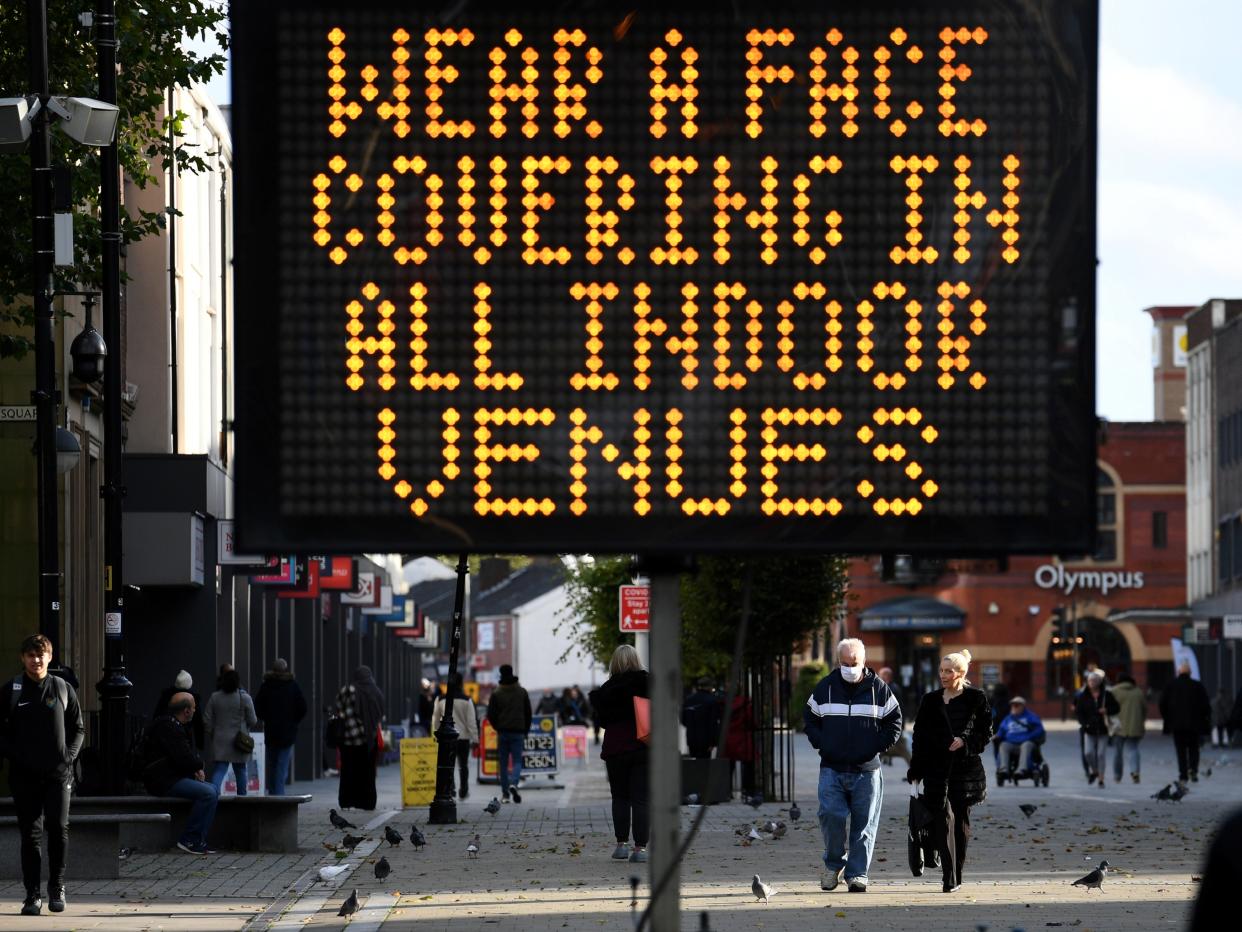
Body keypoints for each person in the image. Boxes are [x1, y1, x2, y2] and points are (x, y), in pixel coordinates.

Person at [803, 638, 903, 894]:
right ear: (838, 662)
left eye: (854, 663)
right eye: (845, 663)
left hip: (866, 770)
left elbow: (895, 722)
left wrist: (875, 747)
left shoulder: (878, 689)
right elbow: (810, 720)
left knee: (864, 825)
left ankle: (857, 874)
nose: (850, 667)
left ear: (863, 662)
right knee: (831, 816)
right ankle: (833, 865)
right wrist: (823, 745)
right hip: (832, 768)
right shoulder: (825, 687)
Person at [0, 634, 84, 916]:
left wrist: (68, 757)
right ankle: (32, 894)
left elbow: (78, 728)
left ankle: (57, 888)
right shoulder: (11, 690)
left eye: (41, 655)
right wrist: (16, 756)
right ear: (23, 658)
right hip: (24, 777)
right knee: (30, 835)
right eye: (30, 655)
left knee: (59, 830)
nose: (36, 660)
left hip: (58, 776)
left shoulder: (62, 687)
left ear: (49, 657)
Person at [908, 649, 993, 893]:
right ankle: (949, 875)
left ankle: (957, 873)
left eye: (949, 671)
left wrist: (966, 743)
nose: (943, 675)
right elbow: (920, 736)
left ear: (961, 673)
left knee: (960, 822)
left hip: (964, 771)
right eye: (941, 670)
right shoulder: (930, 700)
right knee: (942, 821)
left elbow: (986, 732)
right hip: (936, 768)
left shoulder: (976, 698)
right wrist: (916, 768)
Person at [589, 645, 650, 864]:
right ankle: (640, 849)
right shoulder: (647, 683)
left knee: (620, 797)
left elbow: (601, 722)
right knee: (641, 798)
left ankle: (621, 845)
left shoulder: (606, 690)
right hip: (643, 745)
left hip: (615, 748)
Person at [141, 691, 219, 856]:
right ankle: (189, 839)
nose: (195, 711)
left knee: (213, 789)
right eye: (194, 707)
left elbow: (184, 757)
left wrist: (195, 768)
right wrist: (198, 766)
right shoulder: (170, 728)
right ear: (186, 711)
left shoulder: (171, 725)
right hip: (163, 781)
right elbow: (184, 759)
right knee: (208, 793)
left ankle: (199, 839)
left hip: (170, 777)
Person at [253, 658, 308, 795]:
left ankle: (273, 794)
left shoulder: (266, 685)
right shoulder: (292, 685)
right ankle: (278, 796)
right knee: (282, 766)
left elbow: (258, 706)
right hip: (288, 732)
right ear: (286, 669)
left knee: (272, 765)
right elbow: (303, 707)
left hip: (271, 730)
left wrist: (266, 717)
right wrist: (293, 720)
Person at [335, 666, 385, 809]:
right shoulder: (376, 691)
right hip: (369, 739)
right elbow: (380, 712)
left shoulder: (348, 690)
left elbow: (338, 706)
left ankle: (347, 801)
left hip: (349, 739)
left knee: (348, 771)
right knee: (368, 772)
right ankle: (368, 802)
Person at [203, 666, 258, 795]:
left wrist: (212, 733)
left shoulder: (215, 697)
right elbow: (253, 720)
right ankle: (241, 800)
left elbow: (206, 719)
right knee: (240, 770)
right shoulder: (245, 698)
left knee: (219, 770)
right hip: (239, 741)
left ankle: (213, 796)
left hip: (220, 739)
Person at [486, 664, 532, 803]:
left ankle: (505, 794)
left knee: (503, 764)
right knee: (518, 761)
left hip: (503, 732)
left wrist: (497, 727)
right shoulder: (522, 692)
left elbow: (490, 714)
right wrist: (526, 730)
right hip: (518, 731)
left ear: (500, 674)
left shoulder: (496, 693)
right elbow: (528, 713)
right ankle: (514, 783)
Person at [1160, 660, 1211, 782]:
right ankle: (1193, 770)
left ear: (1179, 672)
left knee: (1180, 750)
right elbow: (1206, 705)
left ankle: (1183, 774)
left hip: (1177, 725)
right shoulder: (1197, 686)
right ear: (1190, 673)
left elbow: (1162, 704)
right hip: (1194, 725)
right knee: (1194, 748)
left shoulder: (1171, 685)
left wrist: (1167, 718)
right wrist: (1204, 719)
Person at [430, 673, 479, 799]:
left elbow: (435, 719)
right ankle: (464, 789)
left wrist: (436, 733)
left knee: (449, 765)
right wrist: (475, 739)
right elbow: (471, 722)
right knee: (463, 765)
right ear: (461, 684)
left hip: (447, 738)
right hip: (463, 738)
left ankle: (451, 789)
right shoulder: (467, 700)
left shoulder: (440, 699)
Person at [1075, 670, 1119, 787]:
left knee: (1100, 754)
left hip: (1103, 729)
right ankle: (1094, 771)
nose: (1092, 682)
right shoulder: (1083, 696)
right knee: (1088, 753)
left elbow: (1117, 708)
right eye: (1090, 680)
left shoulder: (1107, 695)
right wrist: (1084, 724)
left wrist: (1107, 710)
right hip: (1089, 730)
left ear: (1099, 682)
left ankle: (1101, 778)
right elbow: (1079, 712)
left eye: (1094, 680)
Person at [994, 696, 1045, 778]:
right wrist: (998, 736)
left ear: (1023, 706)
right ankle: (1003, 769)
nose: (1014, 707)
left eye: (1017, 705)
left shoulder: (1030, 716)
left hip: (1025, 742)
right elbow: (1002, 730)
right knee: (1003, 745)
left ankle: (1021, 770)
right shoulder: (1008, 718)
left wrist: (1030, 736)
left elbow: (1039, 729)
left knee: (1027, 745)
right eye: (1013, 705)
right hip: (1011, 743)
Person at [153, 669, 205, 750]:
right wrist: (200, 744)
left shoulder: (166, 696)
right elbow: (198, 722)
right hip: (184, 734)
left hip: (166, 733)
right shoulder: (192, 698)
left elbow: (157, 715)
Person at [1110, 672, 1146, 783]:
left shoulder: (1114, 691)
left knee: (1117, 752)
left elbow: (1108, 708)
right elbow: (1144, 709)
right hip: (1134, 725)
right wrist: (1141, 721)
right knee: (1133, 749)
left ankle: (1117, 776)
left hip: (1118, 726)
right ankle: (1135, 772)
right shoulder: (1138, 692)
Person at [877, 667, 911, 766]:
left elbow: (895, 709)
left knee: (902, 750)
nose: (879, 677)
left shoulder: (891, 689)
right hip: (889, 725)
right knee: (878, 749)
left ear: (887, 676)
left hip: (893, 725)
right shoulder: (889, 687)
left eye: (881, 675)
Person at [681, 677, 720, 759]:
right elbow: (713, 722)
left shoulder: (688, 700)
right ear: (709, 686)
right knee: (704, 764)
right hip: (706, 740)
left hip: (691, 738)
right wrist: (713, 742)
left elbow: (683, 719)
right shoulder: (712, 700)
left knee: (695, 763)